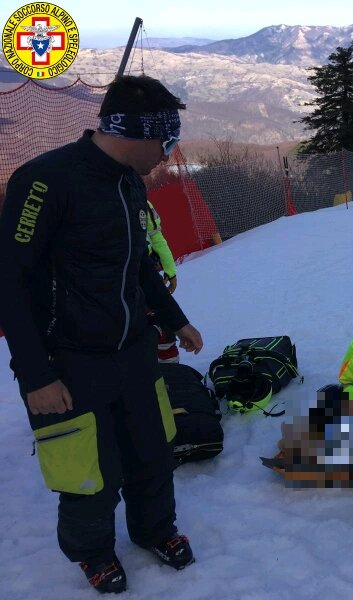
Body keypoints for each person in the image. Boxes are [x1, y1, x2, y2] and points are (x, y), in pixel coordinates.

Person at [0, 75, 204, 594]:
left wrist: (174, 319)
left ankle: (155, 529)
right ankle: (93, 551)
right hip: (68, 362)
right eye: (166, 142)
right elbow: (11, 284)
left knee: (152, 450)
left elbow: (137, 268)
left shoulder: (130, 182)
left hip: (133, 351)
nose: (167, 155)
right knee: (89, 473)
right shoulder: (45, 182)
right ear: (136, 133)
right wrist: (35, 376)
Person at [146, 199, 180, 363]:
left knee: (164, 326)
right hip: (111, 282)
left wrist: (170, 271)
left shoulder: (140, 201)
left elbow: (156, 237)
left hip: (146, 274)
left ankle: (173, 377)